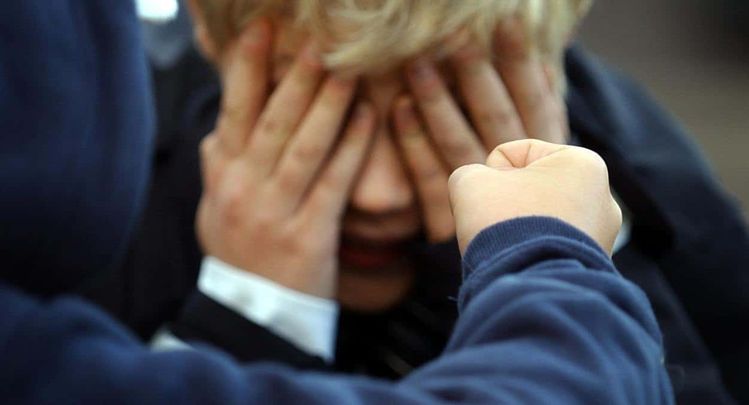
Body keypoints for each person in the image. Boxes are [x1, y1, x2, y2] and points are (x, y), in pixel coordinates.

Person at [0, 1, 675, 403]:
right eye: (318, 114)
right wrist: (247, 316)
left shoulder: (647, 170)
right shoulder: (101, 256)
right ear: (213, 38)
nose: (378, 195)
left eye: (438, 115)